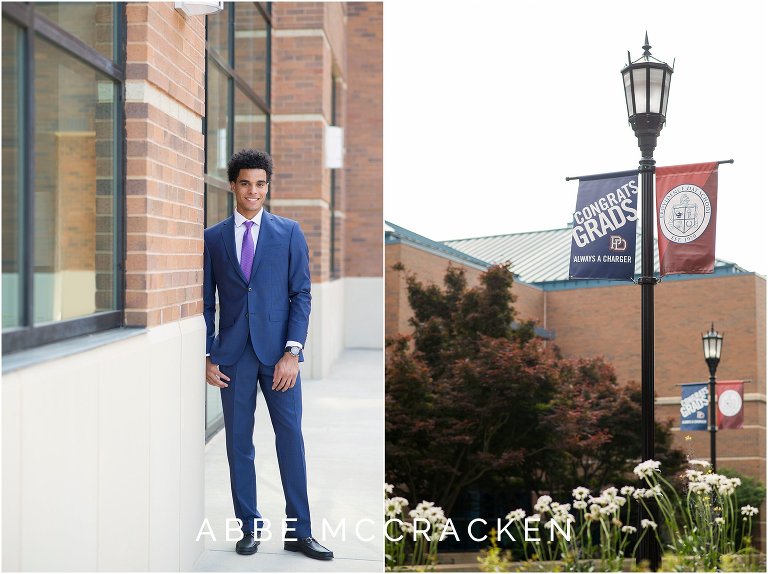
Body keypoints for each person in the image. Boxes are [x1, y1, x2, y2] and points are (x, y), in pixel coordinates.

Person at [203, 149, 333, 561]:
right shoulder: (213, 238)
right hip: (234, 357)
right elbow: (206, 303)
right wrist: (208, 354)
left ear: (267, 186)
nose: (253, 191)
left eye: (260, 183)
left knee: (290, 439)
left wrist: (293, 352)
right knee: (239, 443)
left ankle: (300, 531)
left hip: (279, 357)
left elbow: (301, 294)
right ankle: (249, 528)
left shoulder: (288, 232)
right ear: (233, 186)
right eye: (245, 183)